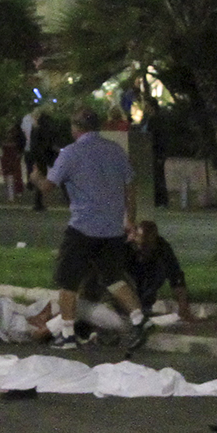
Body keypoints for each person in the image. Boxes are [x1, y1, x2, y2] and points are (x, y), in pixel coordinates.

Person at [46, 106, 144, 349]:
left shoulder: (71, 152)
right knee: (112, 278)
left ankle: (67, 335)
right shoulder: (115, 150)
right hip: (111, 229)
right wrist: (129, 219)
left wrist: (37, 178)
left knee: (67, 281)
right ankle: (139, 318)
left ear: (75, 128)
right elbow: (130, 184)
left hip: (82, 227)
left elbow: (49, 186)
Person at [124, 219, 191, 322]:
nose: (144, 249)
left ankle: (144, 306)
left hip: (148, 283)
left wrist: (183, 307)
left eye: (148, 245)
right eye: (142, 244)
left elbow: (176, 276)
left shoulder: (162, 248)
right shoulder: (126, 247)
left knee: (159, 271)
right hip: (129, 281)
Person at [0, 129, 25, 202]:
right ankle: (12, 195)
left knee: (8, 180)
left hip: (7, 163)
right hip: (11, 163)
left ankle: (11, 196)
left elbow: (1, 153)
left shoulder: (5, 145)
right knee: (11, 179)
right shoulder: (14, 146)